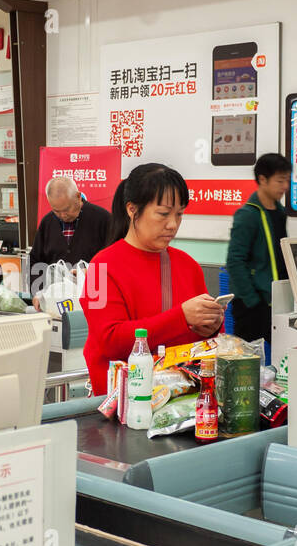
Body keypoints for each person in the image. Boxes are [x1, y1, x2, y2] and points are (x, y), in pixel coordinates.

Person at [82, 163, 225, 395]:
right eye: (163, 214)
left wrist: (211, 326)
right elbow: (109, 341)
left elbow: (205, 340)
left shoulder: (188, 265)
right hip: (124, 400)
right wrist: (181, 317)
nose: (173, 224)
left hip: (179, 396)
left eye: (179, 214)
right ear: (132, 209)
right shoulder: (100, 267)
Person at [225, 153, 289, 346]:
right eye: (280, 181)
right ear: (262, 179)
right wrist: (252, 300)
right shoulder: (247, 215)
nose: (285, 186)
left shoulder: (279, 212)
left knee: (281, 355)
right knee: (248, 360)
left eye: (287, 180)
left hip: (276, 299)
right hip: (252, 303)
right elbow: (235, 261)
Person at [30, 176, 112, 288]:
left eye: (67, 209)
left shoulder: (103, 219)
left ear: (78, 197)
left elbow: (116, 260)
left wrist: (91, 272)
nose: (63, 216)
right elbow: (36, 261)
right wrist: (38, 293)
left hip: (95, 294)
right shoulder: (47, 222)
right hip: (57, 297)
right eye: (57, 211)